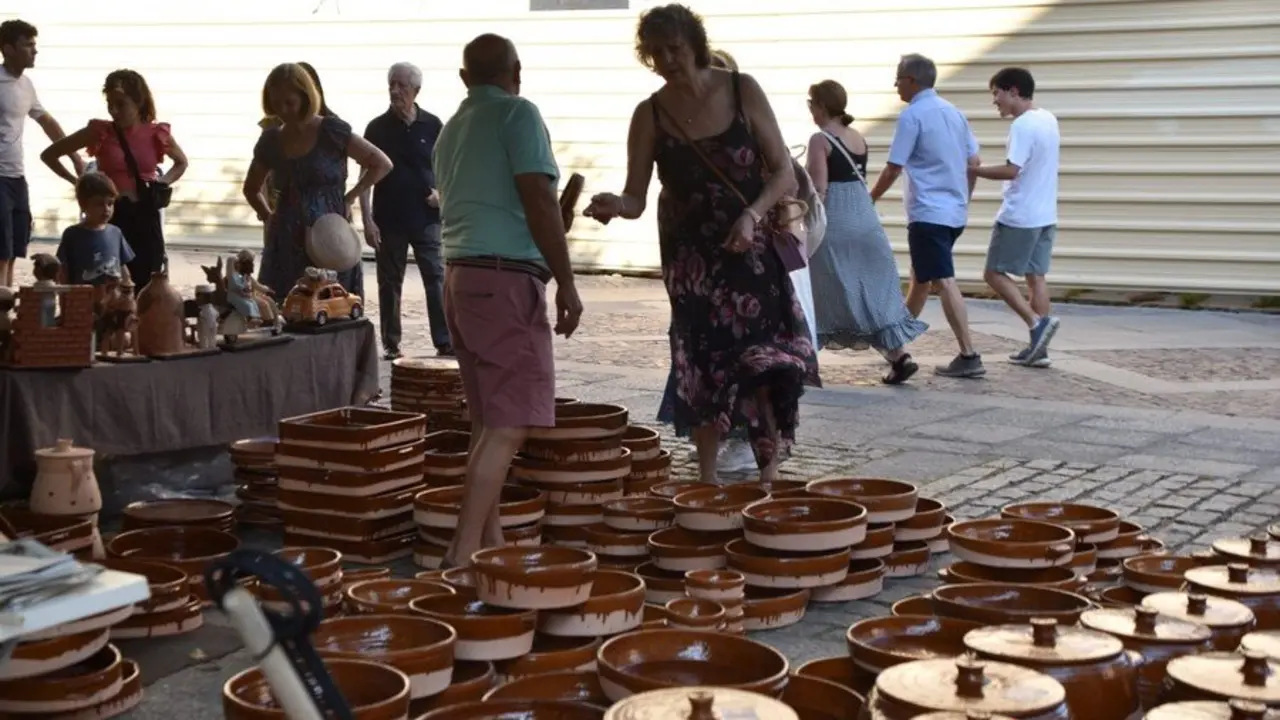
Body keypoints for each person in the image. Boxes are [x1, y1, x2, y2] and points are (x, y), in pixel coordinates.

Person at [585, 4, 820, 484]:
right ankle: (707, 476)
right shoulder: (649, 113)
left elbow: (781, 171)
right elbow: (636, 195)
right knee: (700, 361)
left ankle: (769, 470)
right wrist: (616, 204)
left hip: (749, 248)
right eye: (656, 53)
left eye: (674, 48)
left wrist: (752, 216)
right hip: (691, 261)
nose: (668, 59)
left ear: (695, 43)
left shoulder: (741, 88)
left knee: (761, 359)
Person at [433, 34, 583, 568]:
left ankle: (490, 544)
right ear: (517, 71)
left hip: (460, 275)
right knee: (508, 423)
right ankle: (464, 552)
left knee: (487, 419)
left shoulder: (451, 129)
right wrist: (566, 280)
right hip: (502, 278)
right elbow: (539, 199)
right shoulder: (518, 114)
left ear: (463, 77)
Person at [869, 53, 984, 379]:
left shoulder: (912, 116)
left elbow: (894, 167)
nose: (895, 86)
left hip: (928, 213)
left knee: (943, 280)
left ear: (912, 81)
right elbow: (973, 162)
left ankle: (969, 354)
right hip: (953, 214)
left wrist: (869, 199)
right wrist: (965, 198)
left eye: (898, 79)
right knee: (921, 278)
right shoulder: (955, 113)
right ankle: (898, 345)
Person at [805, 79, 926, 384]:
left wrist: (802, 215)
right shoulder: (858, 137)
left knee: (818, 287)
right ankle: (898, 356)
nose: (810, 110)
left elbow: (819, 188)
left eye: (811, 103)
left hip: (837, 221)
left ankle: (806, 360)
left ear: (821, 106)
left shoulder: (820, 140)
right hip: (865, 218)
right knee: (869, 288)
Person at [242, 63, 392, 299]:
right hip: (286, 242)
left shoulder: (332, 131)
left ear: (304, 96)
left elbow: (381, 163)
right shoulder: (271, 141)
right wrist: (269, 217)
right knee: (285, 310)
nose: (283, 110)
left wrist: (351, 196)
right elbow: (251, 188)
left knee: (332, 305)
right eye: (276, 103)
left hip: (330, 236)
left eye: (289, 102)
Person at [41, 69, 187, 288]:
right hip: (110, 214)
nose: (114, 111)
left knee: (148, 277)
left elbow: (181, 162)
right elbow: (50, 155)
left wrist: (162, 182)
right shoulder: (100, 131)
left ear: (139, 101)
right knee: (107, 277)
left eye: (121, 104)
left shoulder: (157, 133)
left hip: (145, 214)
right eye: (110, 104)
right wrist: (77, 182)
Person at [361, 61, 452, 360]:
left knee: (436, 279)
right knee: (389, 283)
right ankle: (391, 343)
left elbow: (448, 167)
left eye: (401, 85)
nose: (395, 90)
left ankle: (443, 339)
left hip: (427, 218)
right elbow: (364, 177)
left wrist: (443, 194)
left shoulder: (433, 125)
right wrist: (367, 219)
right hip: (389, 219)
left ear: (416, 90)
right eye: (391, 84)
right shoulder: (376, 128)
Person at [971, 66, 1061, 367]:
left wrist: (975, 171)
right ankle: (1040, 348)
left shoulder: (1022, 126)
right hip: (1046, 214)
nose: (994, 101)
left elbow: (1013, 169)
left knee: (993, 274)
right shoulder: (1048, 119)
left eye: (996, 93)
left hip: (1020, 215)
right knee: (1036, 277)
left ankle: (1036, 325)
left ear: (1013, 91)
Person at [1, 19, 83, 287]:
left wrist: (74, 156)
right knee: (0, 253)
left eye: (35, 45)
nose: (34, 51)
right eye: (28, 45)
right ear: (8, 49)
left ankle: (7, 310)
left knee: (14, 251)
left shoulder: (26, 85)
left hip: (17, 178)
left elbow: (47, 122)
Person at [55, 172, 134, 286]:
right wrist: (65, 295)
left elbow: (122, 265)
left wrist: (127, 283)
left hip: (113, 298)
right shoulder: (72, 234)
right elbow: (63, 269)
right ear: (83, 205)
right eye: (99, 204)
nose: (106, 209)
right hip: (83, 297)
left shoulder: (116, 232)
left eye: (110, 203)